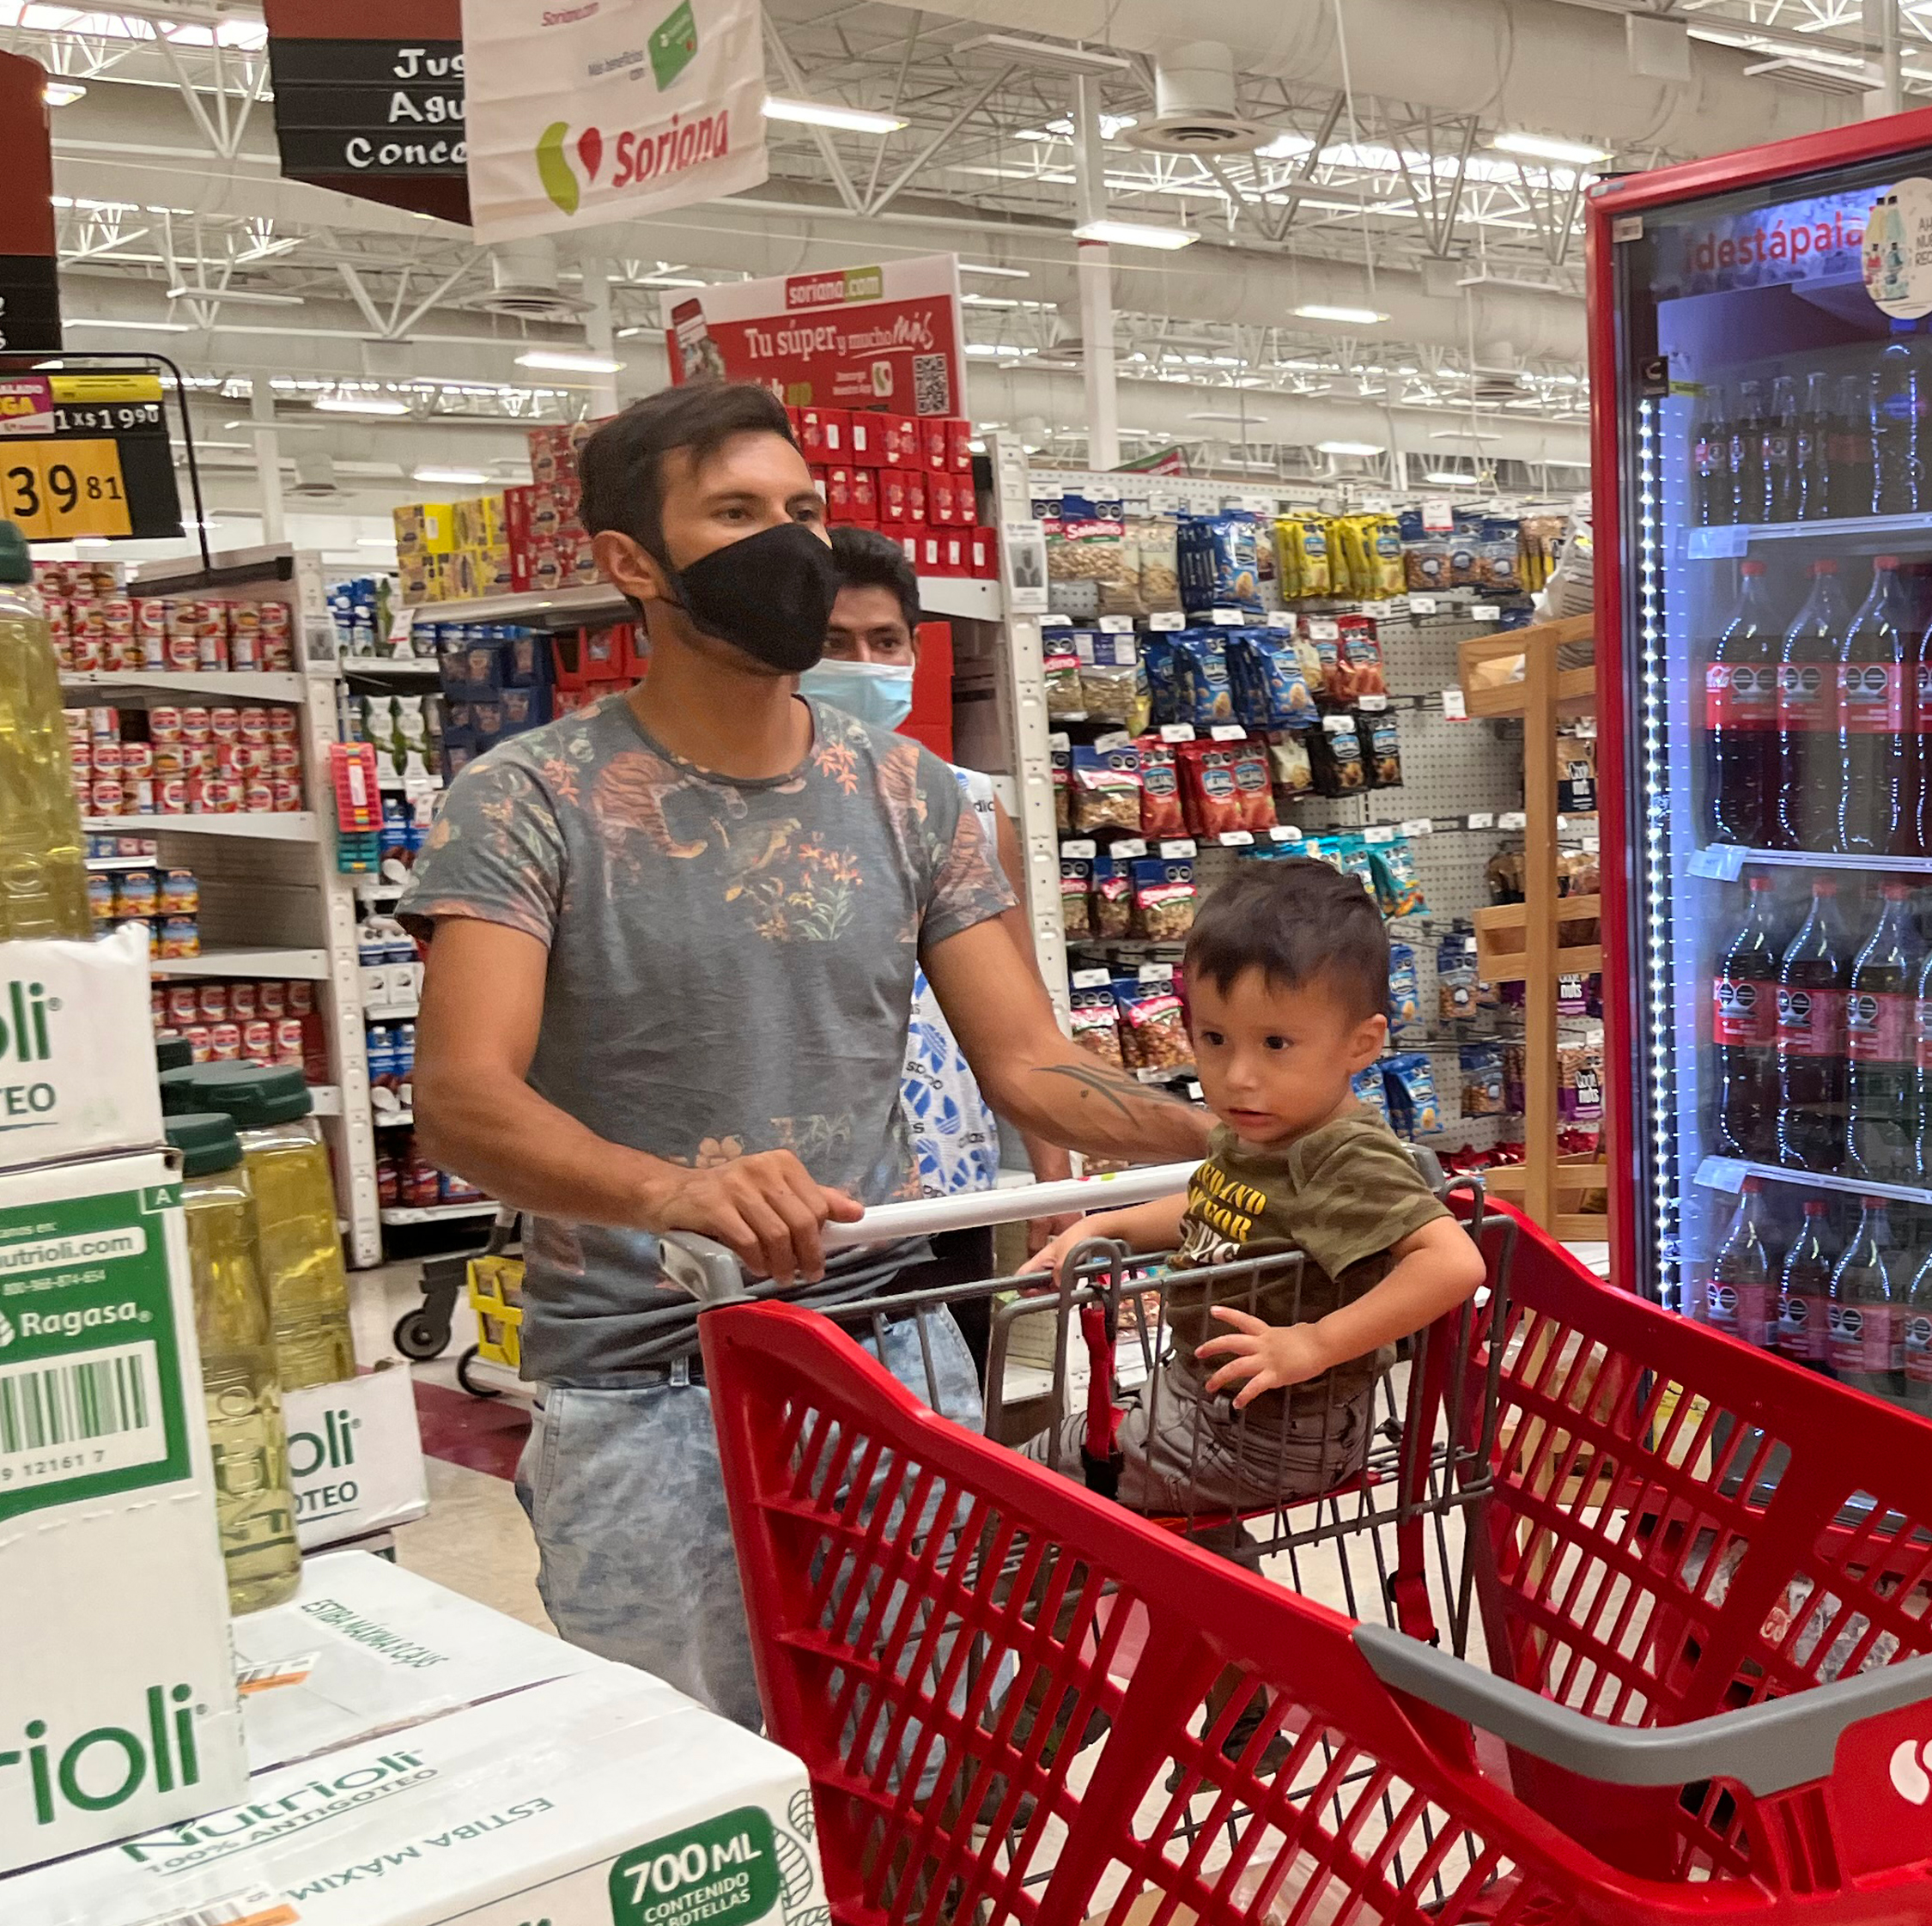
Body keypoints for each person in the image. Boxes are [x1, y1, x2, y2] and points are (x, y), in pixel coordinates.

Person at [408, 380, 1212, 1733]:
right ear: (631, 564)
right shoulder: (528, 800)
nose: (789, 545)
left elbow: (1027, 1064)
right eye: (735, 514)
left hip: (887, 1355)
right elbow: (461, 1099)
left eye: (804, 510)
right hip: (645, 1380)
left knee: (935, 1775)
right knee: (699, 1794)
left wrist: (1234, 1134)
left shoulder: (913, 795)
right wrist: (668, 1192)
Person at [1024, 858, 1486, 1513]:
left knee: (1026, 1473)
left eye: (1275, 1043)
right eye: (1214, 1038)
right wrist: (1107, 1226)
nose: (1239, 1076)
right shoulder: (1265, 1134)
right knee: (1173, 1534)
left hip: (1273, 1433)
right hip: (1208, 1398)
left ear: (1360, 1045)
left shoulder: (1343, 1154)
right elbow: (1215, 1200)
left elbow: (1452, 1263)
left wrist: (1315, 1343)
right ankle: (1218, 1611)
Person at [810, 524, 1076, 1364]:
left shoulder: (965, 804)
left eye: (883, 640)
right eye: (833, 642)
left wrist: (1054, 1173)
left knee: (954, 1433)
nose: (864, 662)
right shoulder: (737, 814)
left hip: (946, 1183)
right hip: (808, 1194)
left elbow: (1017, 999)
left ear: (916, 649)